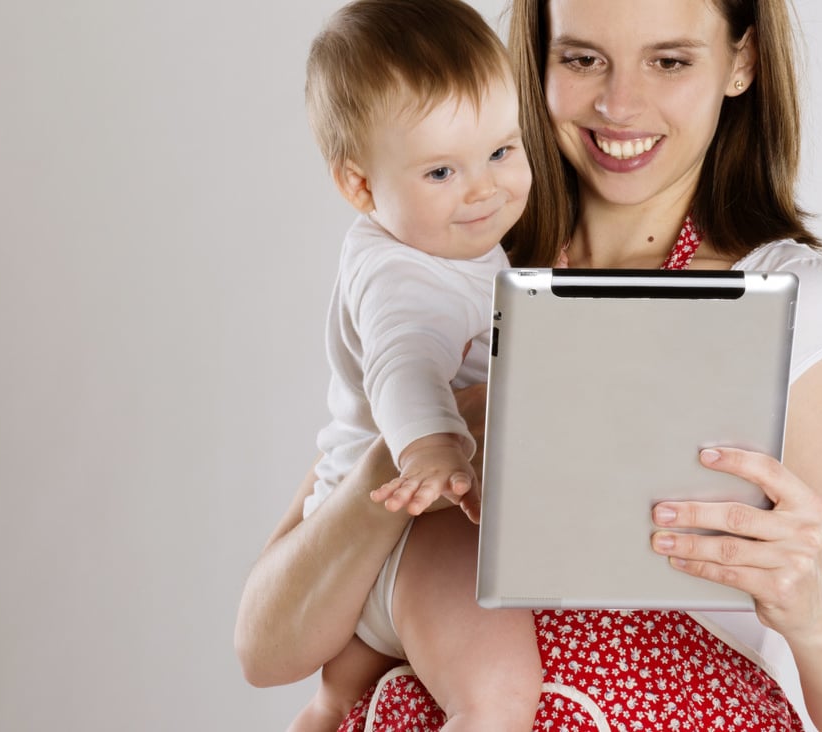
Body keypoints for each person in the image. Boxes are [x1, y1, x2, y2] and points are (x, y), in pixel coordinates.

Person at [236, 0, 822, 729]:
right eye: (581, 58)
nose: (619, 104)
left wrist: (812, 603)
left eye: (669, 61)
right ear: (534, 61)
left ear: (742, 62)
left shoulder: (805, 319)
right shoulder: (457, 272)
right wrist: (417, 454)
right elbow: (265, 649)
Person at [286, 1, 540, 730]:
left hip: (357, 537)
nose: (484, 188)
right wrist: (435, 450)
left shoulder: (421, 241)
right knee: (496, 698)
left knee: (338, 702)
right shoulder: (406, 278)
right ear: (361, 186)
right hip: (411, 529)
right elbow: (405, 365)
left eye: (501, 152)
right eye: (441, 171)